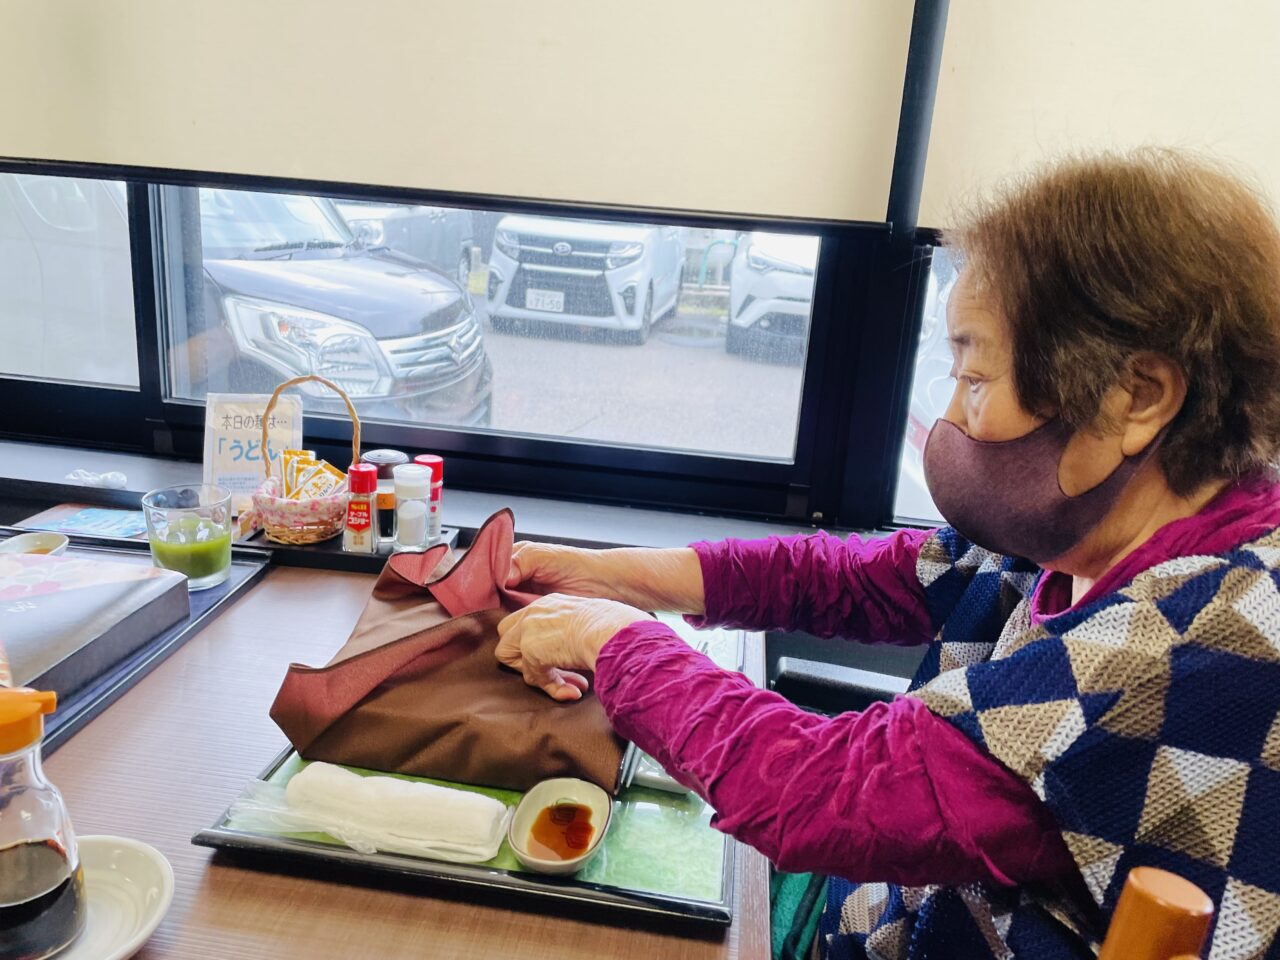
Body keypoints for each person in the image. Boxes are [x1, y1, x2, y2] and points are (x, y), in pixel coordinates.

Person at [494, 151, 1280, 960]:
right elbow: (864, 580)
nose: (952, 418)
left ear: (1138, 396)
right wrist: (615, 577)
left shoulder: (1198, 639)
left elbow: (820, 794)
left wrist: (609, 639)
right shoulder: (1099, 530)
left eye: (978, 379)